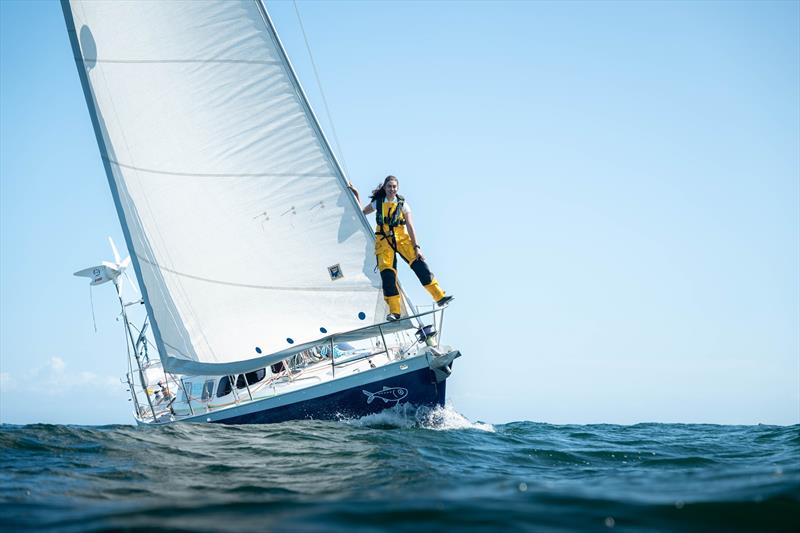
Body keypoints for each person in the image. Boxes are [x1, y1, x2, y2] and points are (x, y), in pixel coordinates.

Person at [351, 175, 453, 321]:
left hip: (402, 240)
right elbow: (361, 212)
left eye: (394, 187)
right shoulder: (377, 203)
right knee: (388, 275)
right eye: (389, 186)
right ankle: (395, 312)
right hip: (384, 242)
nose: (392, 189)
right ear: (384, 188)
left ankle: (439, 296)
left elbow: (410, 226)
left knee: (420, 266)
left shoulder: (403, 205)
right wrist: (356, 194)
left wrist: (417, 247)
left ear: (397, 188)